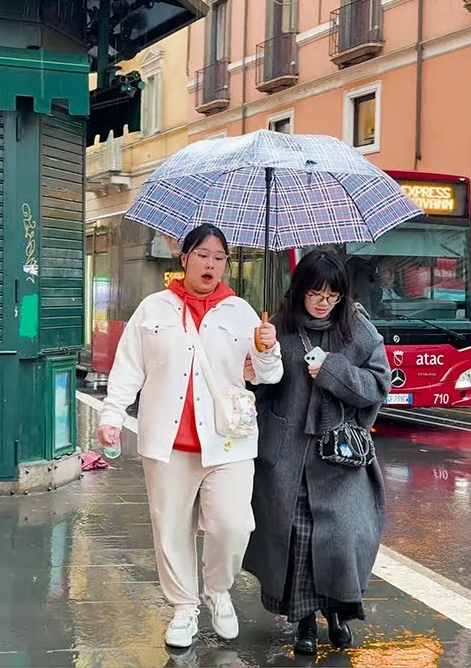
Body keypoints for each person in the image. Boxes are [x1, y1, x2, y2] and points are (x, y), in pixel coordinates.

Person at [95, 223, 284, 649]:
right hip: (168, 444)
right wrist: (112, 414)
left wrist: (267, 348)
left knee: (233, 524)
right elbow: (128, 368)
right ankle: (184, 607)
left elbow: (268, 376)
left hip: (228, 441)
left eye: (219, 257)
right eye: (203, 254)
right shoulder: (154, 309)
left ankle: (218, 591)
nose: (211, 263)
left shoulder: (242, 313)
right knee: (171, 529)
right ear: (185, 259)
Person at [243, 249, 390, 656]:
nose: (324, 302)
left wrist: (333, 371)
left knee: (341, 537)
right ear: (300, 290)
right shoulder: (277, 326)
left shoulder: (358, 328)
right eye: (315, 293)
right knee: (296, 540)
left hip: (339, 456)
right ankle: (304, 621)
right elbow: (259, 389)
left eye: (332, 295)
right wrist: (257, 365)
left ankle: (339, 613)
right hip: (286, 456)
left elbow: (379, 385)